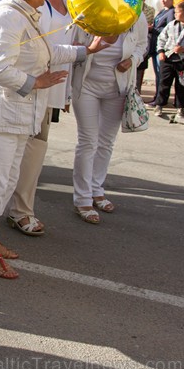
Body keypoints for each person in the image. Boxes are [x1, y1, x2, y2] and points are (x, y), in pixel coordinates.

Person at [0, 0, 106, 279]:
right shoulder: (8, 17)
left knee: (5, 182)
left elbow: (47, 51)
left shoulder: (27, 13)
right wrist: (35, 82)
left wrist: (86, 51)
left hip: (15, 117)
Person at [7, 0, 85, 237]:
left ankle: (19, 208)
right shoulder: (34, 5)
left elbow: (66, 42)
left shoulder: (69, 0)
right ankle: (20, 210)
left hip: (53, 86)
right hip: (30, 86)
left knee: (35, 149)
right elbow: (42, 48)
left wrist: (64, 93)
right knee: (27, 150)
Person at [71, 15, 148, 223]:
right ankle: (82, 198)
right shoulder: (90, 10)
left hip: (118, 88)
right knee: (88, 141)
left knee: (106, 142)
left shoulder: (134, 15)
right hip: (86, 86)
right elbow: (70, 44)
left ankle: (97, 189)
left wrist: (133, 60)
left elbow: (142, 45)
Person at [152, 0, 184, 122]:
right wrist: (160, 51)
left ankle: (180, 107)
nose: (175, 14)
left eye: (178, 12)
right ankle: (160, 104)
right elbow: (162, 38)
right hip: (168, 58)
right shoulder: (172, 24)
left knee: (181, 84)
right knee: (164, 82)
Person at [146, 0, 175, 102]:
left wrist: (153, 29)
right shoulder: (162, 11)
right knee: (158, 74)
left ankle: (160, 99)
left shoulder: (171, 12)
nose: (162, 0)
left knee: (161, 74)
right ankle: (157, 97)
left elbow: (168, 29)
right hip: (155, 45)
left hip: (162, 47)